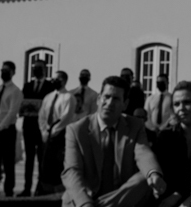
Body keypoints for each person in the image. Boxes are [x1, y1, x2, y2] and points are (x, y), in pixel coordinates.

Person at [62, 75, 167, 207]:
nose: (110, 103)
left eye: (116, 99)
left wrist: (153, 173)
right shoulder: (76, 130)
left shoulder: (135, 125)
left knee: (145, 177)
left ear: (125, 104)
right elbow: (72, 171)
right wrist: (85, 204)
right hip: (85, 196)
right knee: (75, 189)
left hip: (119, 195)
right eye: (106, 97)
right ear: (98, 99)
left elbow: (143, 153)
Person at [152, 81, 191, 207]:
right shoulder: (166, 137)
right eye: (176, 104)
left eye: (187, 102)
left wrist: (181, 195)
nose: (181, 108)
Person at [0, 60, 23, 198]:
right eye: (2, 70)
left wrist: (0, 128)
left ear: (13, 72)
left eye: (7, 70)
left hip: (6, 130)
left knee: (8, 161)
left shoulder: (15, 91)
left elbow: (12, 112)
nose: (4, 73)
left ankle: (8, 190)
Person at [21, 61, 54, 196]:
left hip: (42, 128)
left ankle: (41, 188)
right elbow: (22, 103)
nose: (36, 70)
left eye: (39, 68)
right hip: (28, 126)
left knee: (42, 159)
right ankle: (27, 188)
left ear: (45, 70)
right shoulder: (27, 86)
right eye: (34, 68)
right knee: (29, 159)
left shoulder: (50, 86)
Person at [39, 70, 75, 194]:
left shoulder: (69, 97)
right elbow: (42, 115)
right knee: (45, 165)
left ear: (64, 81)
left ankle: (58, 192)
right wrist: (44, 130)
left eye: (57, 79)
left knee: (57, 165)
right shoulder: (48, 97)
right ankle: (45, 190)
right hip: (46, 136)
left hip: (60, 136)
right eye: (53, 78)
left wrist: (54, 131)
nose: (53, 81)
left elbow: (66, 117)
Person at [144, 74, 174, 140]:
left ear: (167, 83)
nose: (160, 84)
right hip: (151, 132)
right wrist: (153, 129)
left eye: (162, 82)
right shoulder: (150, 99)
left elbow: (173, 115)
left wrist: (162, 128)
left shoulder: (172, 98)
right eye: (158, 82)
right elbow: (146, 115)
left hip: (167, 132)